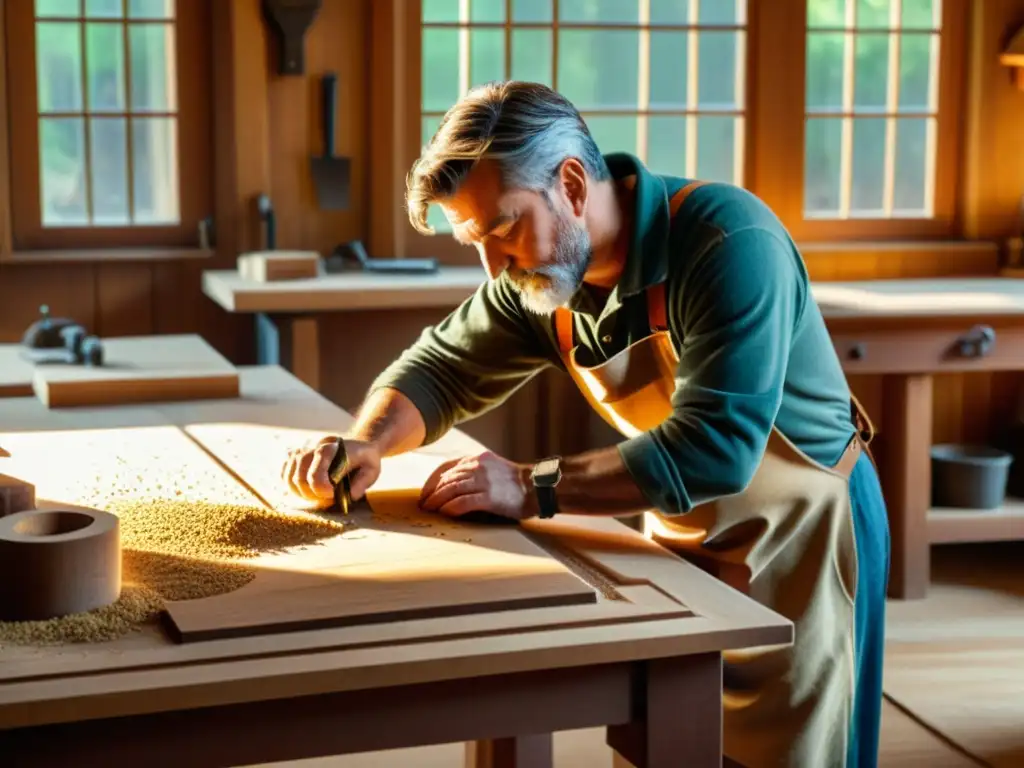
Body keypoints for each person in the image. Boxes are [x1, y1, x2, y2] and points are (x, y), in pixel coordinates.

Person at [280, 80, 890, 768]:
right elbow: (442, 365)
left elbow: (717, 448)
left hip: (810, 541)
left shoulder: (726, 242)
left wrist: (530, 486)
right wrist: (369, 439)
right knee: (670, 741)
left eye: (504, 227)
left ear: (571, 184)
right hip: (685, 534)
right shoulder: (544, 282)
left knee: (794, 754)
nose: (494, 266)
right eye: (474, 241)